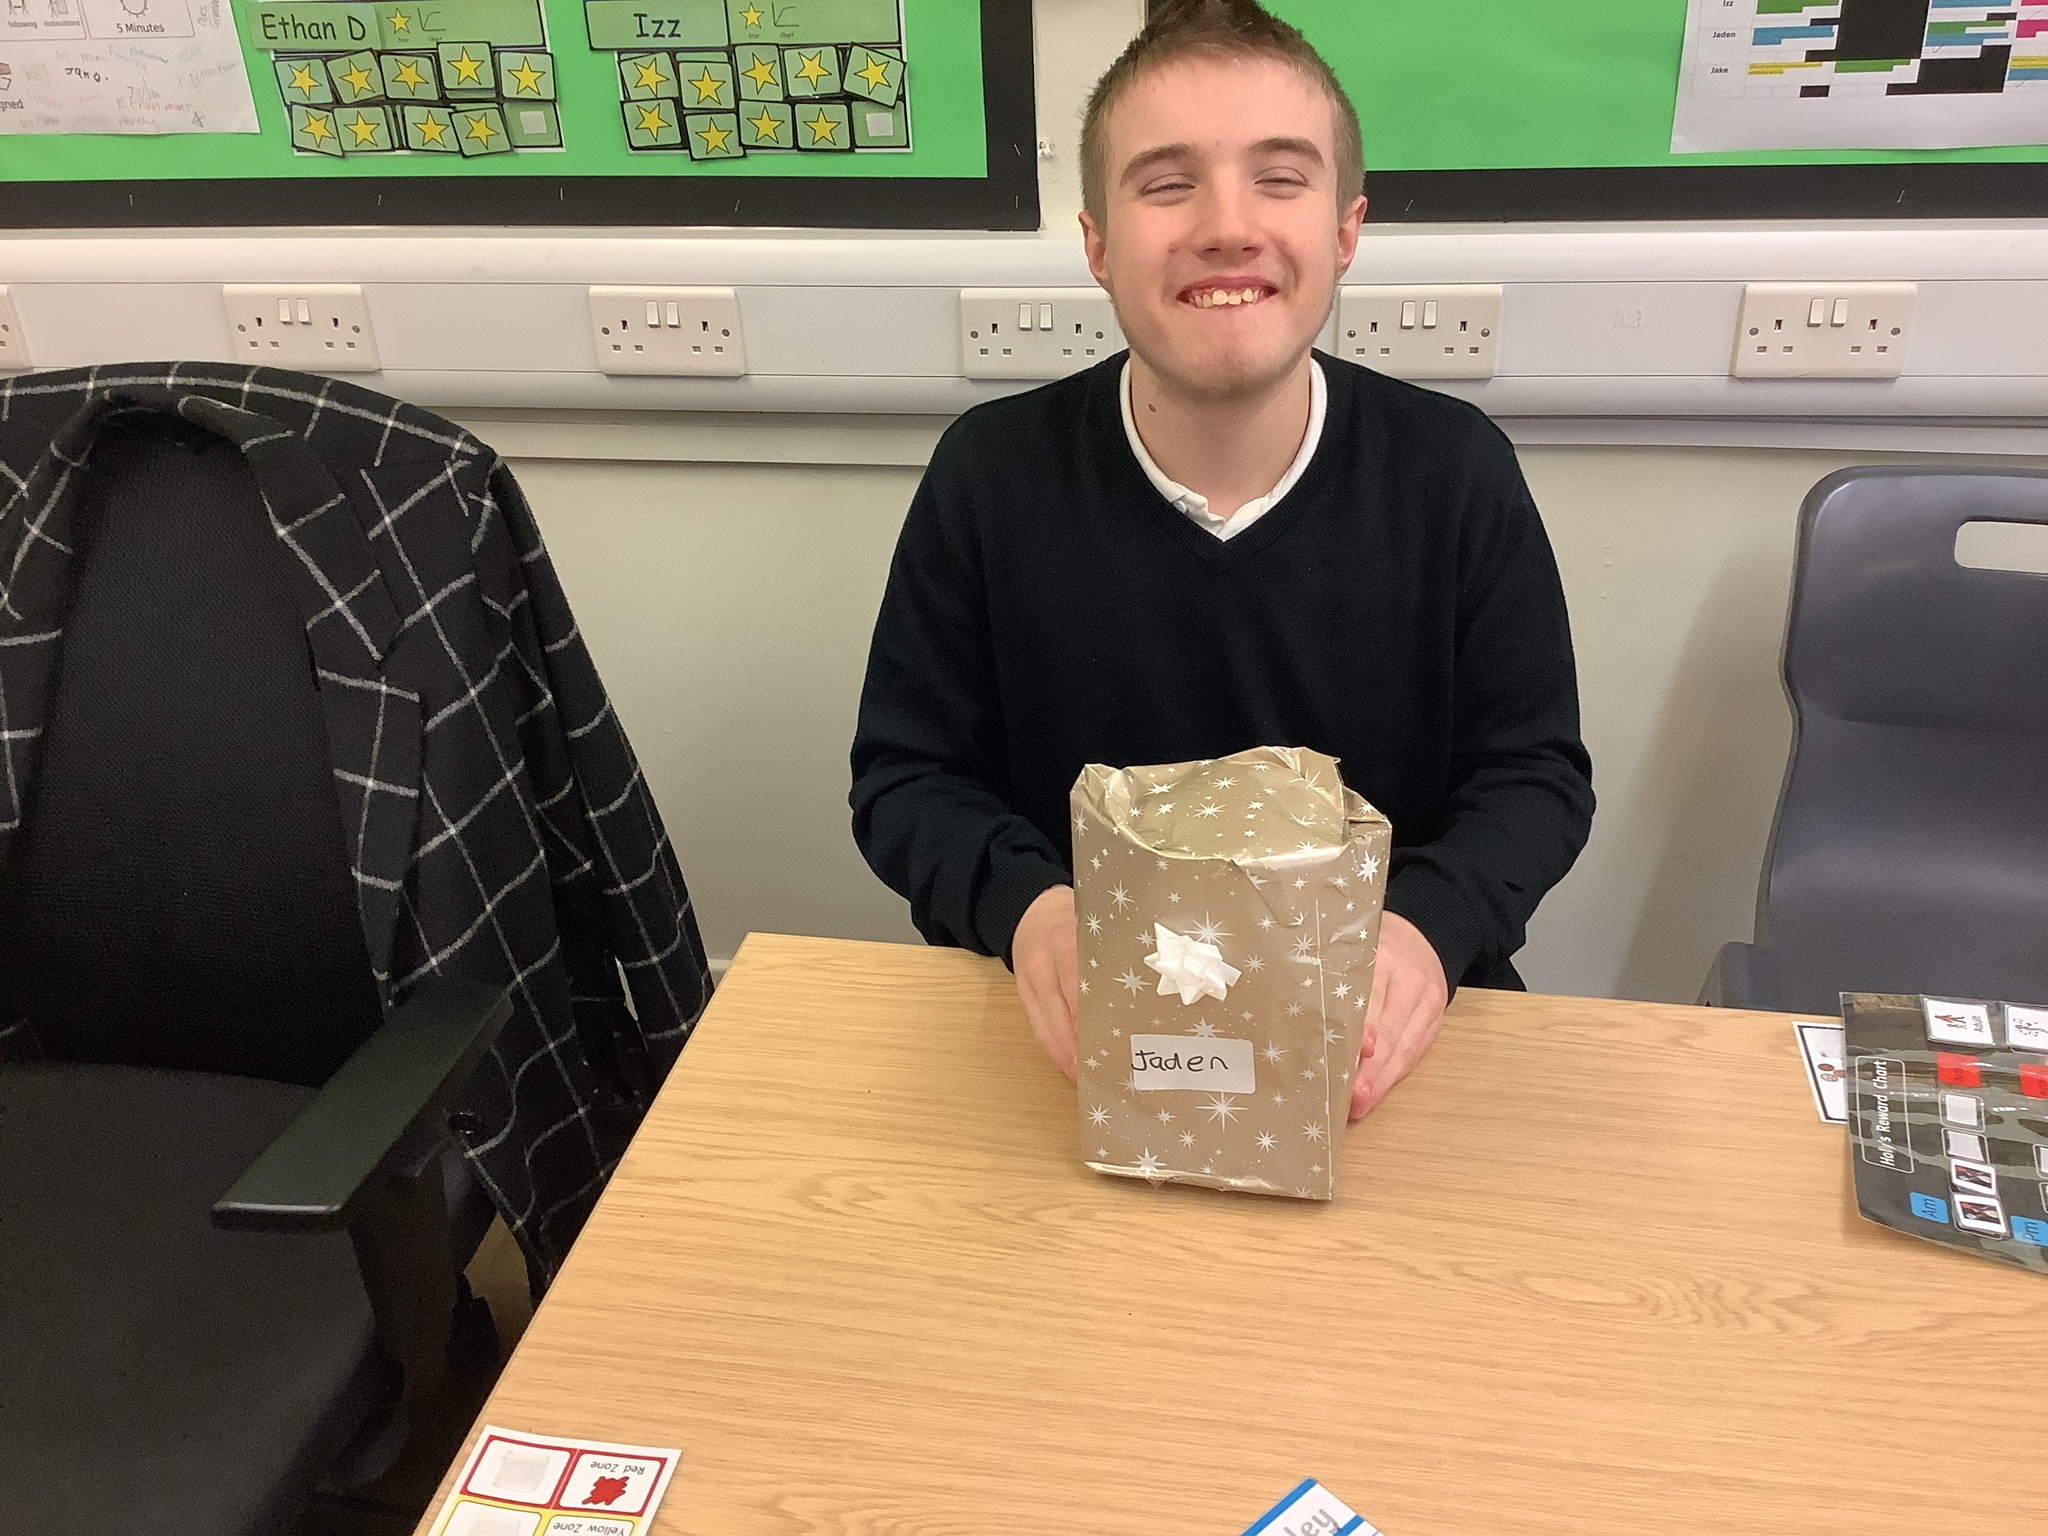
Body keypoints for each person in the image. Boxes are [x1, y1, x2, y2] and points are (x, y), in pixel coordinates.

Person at [849, 0, 1593, 1119]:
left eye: (1278, 179)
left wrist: (1425, 937)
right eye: (1166, 183)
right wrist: (1032, 915)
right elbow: (907, 779)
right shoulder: (989, 475)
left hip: (1372, 1043)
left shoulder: (1454, 473)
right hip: (1086, 1042)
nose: (1226, 227)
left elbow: (1533, 779)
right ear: (1097, 245)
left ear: (1345, 230)